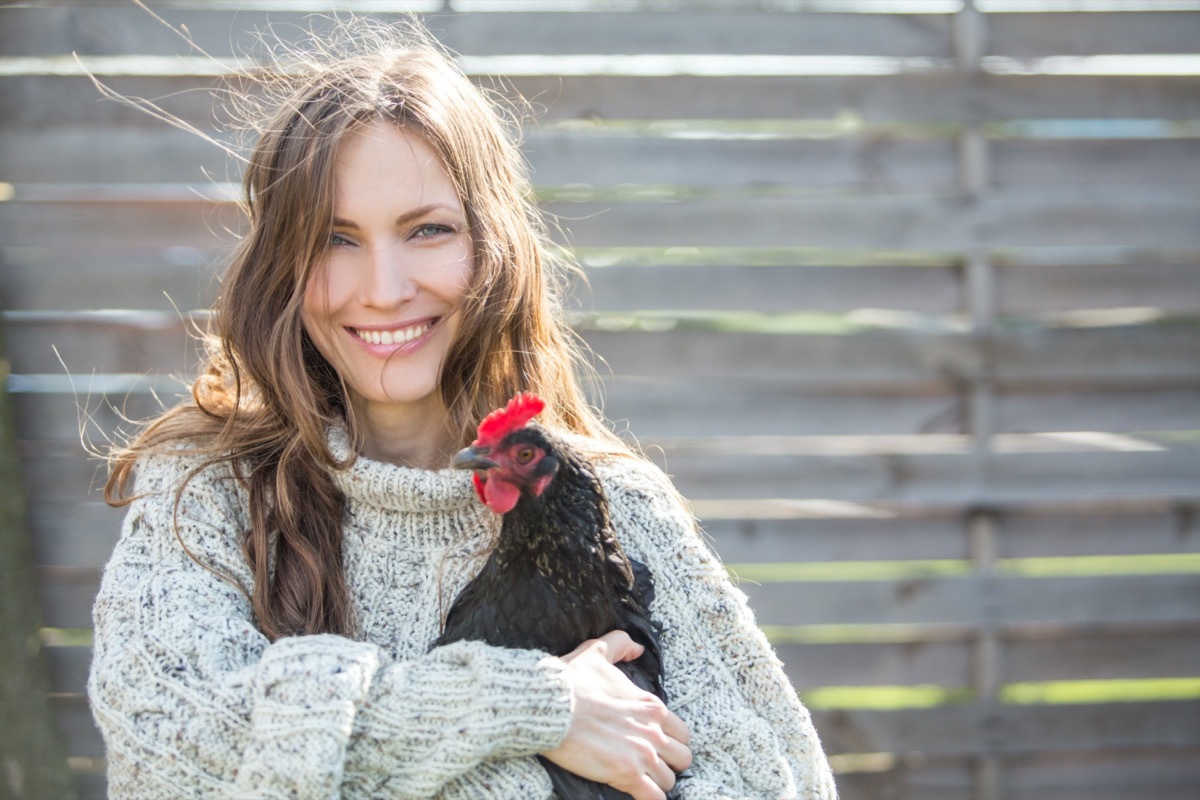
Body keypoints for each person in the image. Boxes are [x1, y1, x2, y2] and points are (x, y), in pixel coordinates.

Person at [89, 16, 838, 800]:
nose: (383, 288)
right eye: (336, 239)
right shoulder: (208, 492)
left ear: (492, 246)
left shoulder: (620, 505)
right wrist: (537, 709)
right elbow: (169, 745)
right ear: (283, 264)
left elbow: (777, 776)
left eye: (428, 230)